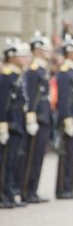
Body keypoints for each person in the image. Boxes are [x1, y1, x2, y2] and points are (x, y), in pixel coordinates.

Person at [21, 32, 53, 203]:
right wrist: (31, 117)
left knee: (39, 157)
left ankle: (33, 190)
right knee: (32, 157)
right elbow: (32, 96)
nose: (49, 52)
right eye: (45, 49)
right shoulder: (34, 71)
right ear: (38, 50)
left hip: (44, 117)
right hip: (37, 118)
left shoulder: (41, 69)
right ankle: (26, 191)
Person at [0, 38, 31, 208]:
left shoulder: (17, 75)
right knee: (5, 162)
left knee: (13, 162)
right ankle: (3, 195)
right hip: (9, 125)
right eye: (22, 56)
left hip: (18, 124)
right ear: (11, 57)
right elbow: (3, 102)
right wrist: (3, 125)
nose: (26, 59)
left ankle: (10, 193)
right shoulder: (6, 76)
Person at [55, 37, 73, 199]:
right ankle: (62, 189)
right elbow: (64, 98)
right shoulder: (65, 72)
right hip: (70, 120)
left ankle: (69, 187)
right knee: (65, 155)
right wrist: (67, 119)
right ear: (69, 53)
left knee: (71, 155)